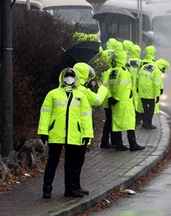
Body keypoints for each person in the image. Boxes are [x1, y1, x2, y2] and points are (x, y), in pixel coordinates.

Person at [38, 68, 93, 198]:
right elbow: (45, 114)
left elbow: (85, 117)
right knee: (52, 162)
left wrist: (87, 134)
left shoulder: (81, 96)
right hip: (56, 134)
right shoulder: (53, 94)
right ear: (62, 78)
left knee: (71, 164)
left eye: (71, 76)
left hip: (74, 135)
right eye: (67, 76)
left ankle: (70, 189)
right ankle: (47, 188)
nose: (69, 78)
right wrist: (43, 131)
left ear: (76, 79)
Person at [72, 62, 108, 195]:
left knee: (76, 160)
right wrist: (103, 88)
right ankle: (74, 186)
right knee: (77, 160)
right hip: (80, 131)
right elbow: (98, 100)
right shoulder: (82, 90)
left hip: (75, 130)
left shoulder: (74, 88)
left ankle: (75, 186)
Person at [106, 47, 145, 151]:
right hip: (124, 102)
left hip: (115, 102)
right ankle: (133, 144)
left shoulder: (112, 71)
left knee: (116, 123)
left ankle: (119, 145)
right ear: (123, 59)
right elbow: (121, 87)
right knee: (130, 123)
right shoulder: (124, 72)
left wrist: (111, 98)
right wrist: (117, 98)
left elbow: (108, 86)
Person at [100, 38, 121, 149]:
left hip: (105, 95)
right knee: (110, 120)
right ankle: (106, 142)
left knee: (109, 119)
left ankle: (109, 141)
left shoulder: (104, 53)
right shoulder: (116, 55)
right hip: (109, 96)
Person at [137, 52, 163, 129]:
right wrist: (157, 95)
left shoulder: (144, 66)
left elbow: (138, 78)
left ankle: (144, 123)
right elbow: (157, 84)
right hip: (150, 93)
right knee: (151, 108)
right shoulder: (156, 70)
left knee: (145, 107)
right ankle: (149, 123)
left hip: (142, 91)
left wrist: (138, 88)